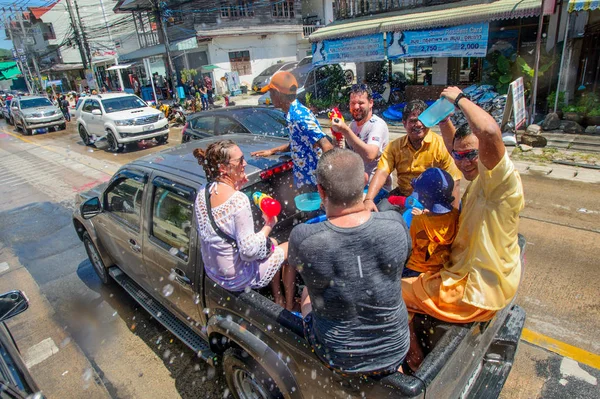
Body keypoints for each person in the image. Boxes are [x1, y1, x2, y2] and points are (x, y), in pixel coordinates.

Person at [401, 86, 525, 324]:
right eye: (458, 157)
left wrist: (460, 99)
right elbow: (455, 148)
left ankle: (413, 359)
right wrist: (445, 119)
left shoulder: (499, 180)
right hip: (462, 276)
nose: (463, 162)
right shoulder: (481, 178)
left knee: (387, 294)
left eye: (470, 155)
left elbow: (489, 132)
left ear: (486, 152)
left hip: (472, 292)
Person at [288, 149, 415, 375]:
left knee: (307, 291)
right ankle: (397, 378)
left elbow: (301, 268)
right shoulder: (396, 223)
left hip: (335, 353)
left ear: (320, 191)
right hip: (395, 348)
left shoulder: (303, 237)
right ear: (365, 181)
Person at [193, 140, 297, 310]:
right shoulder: (238, 200)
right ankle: (290, 304)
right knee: (292, 245)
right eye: (240, 160)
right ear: (223, 168)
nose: (245, 163)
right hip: (238, 278)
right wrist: (269, 224)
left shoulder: (203, 191)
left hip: (215, 273)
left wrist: (236, 186)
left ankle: (278, 297)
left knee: (272, 244)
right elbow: (249, 252)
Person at [363, 100, 461, 212]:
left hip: (432, 201)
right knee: (380, 211)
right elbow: (382, 172)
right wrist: (369, 199)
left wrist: (453, 217)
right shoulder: (395, 147)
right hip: (402, 195)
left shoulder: (441, 146)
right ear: (404, 123)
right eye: (413, 121)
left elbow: (454, 182)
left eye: (423, 120)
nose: (418, 124)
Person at [251, 71, 333, 191]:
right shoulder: (293, 114)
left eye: (271, 92)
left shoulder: (299, 117)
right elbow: (299, 144)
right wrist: (272, 151)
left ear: (277, 94)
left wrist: (324, 185)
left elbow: (327, 147)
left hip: (313, 185)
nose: (270, 96)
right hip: (306, 182)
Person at [330, 83, 391, 189]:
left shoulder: (377, 125)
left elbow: (370, 155)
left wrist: (345, 130)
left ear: (371, 103)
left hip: (376, 188)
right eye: (352, 103)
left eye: (360, 103)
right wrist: (337, 136)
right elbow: (345, 155)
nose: (356, 107)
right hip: (357, 183)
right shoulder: (352, 125)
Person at [403, 168, 459, 277]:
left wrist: (423, 215)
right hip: (441, 269)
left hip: (416, 269)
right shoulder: (456, 216)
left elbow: (410, 246)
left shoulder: (419, 221)